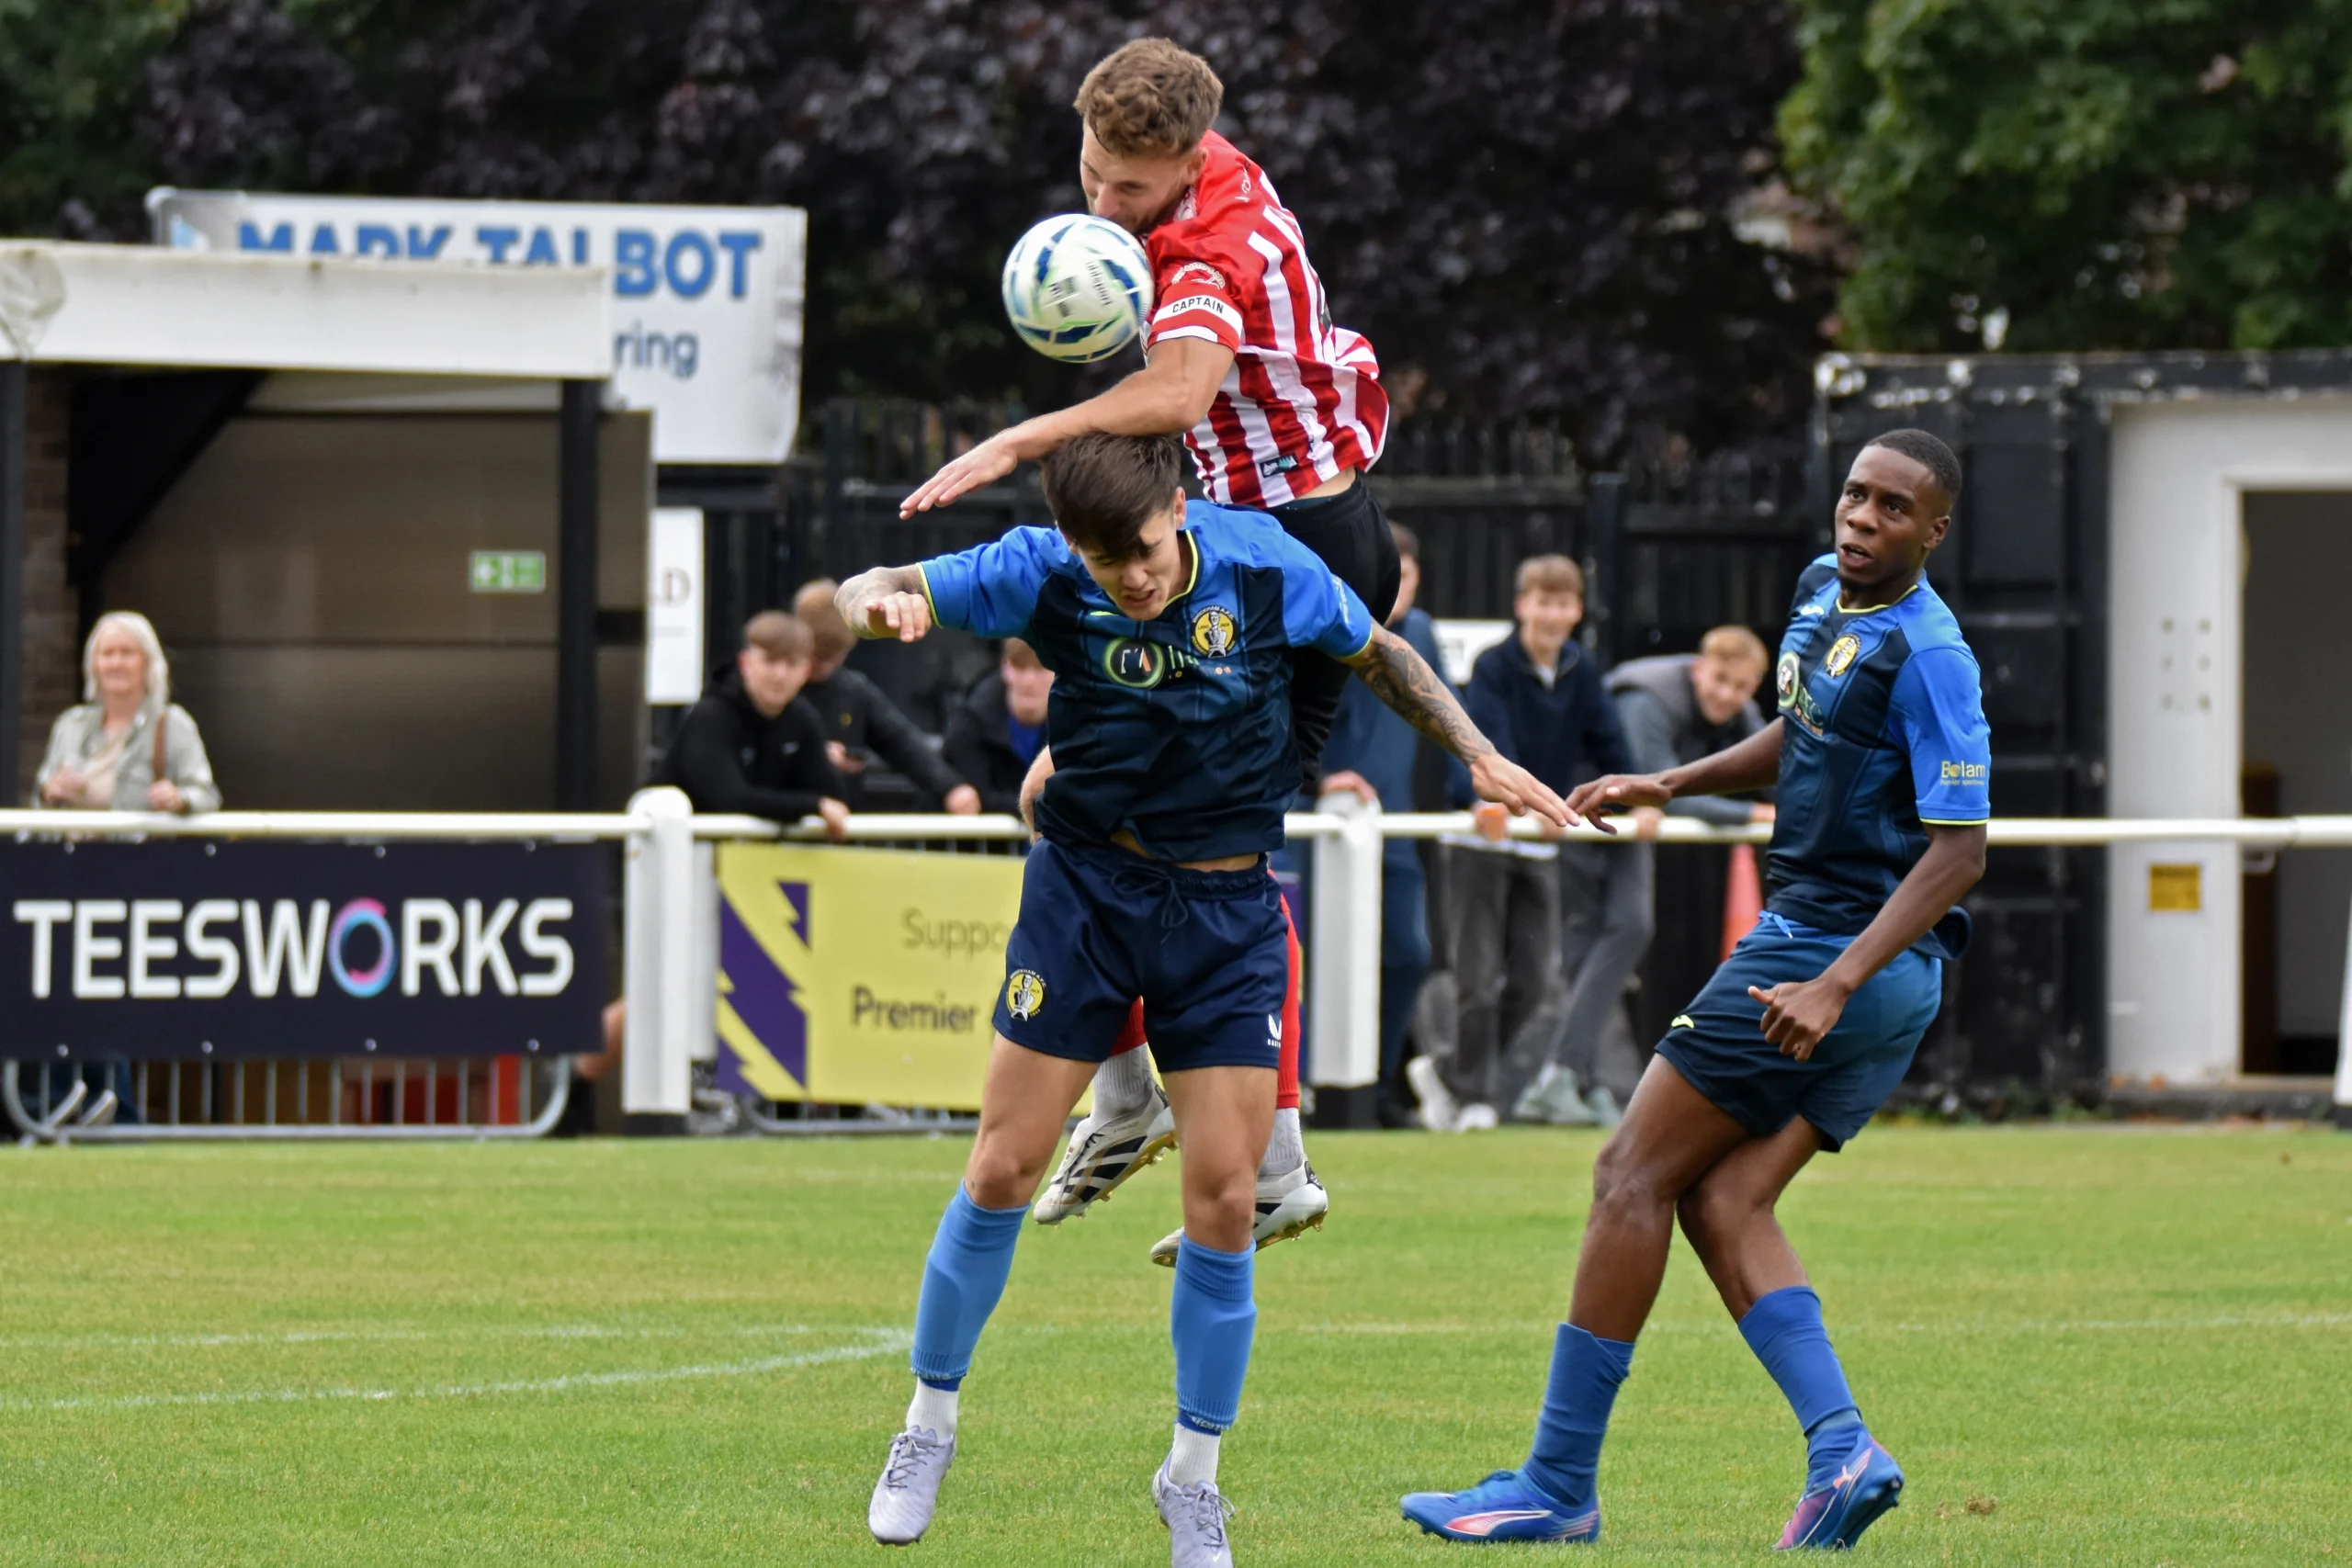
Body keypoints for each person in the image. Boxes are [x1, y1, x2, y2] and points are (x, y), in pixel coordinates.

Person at [842, 432, 1567, 1563]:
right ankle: (926, 1425)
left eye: (1141, 551)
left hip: (1226, 913)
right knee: (1000, 1167)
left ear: (1177, 509)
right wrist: (876, 605)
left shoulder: (1263, 564)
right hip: (1085, 891)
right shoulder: (1042, 567)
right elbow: (873, 580)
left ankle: (1191, 1480)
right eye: (1104, 561)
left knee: (1227, 1200)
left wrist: (1476, 752)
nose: (1129, 579)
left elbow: (1378, 651)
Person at [1400, 429, 1989, 1551]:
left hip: (1830, 955)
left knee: (1627, 1175)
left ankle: (1555, 1484)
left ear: (1935, 531)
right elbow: (1802, 733)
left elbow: (1960, 853)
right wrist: (1670, 779)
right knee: (1725, 1203)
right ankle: (1843, 1450)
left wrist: (1831, 982)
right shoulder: (1821, 593)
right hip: (1865, 973)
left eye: (1892, 508)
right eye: (1855, 496)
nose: (1861, 519)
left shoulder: (1931, 655)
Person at [907, 36, 1398, 1252]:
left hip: (1292, 552)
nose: (1103, 202)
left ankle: (1261, 1160)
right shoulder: (1200, 176)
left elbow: (1179, 392)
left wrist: (1020, 438)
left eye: (1128, 186)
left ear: (1186, 161)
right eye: (1089, 173)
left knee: (1214, 843)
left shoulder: (1204, 244)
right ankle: (1137, 1101)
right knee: (1059, 796)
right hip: (1259, 532)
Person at [1412, 555, 1632, 1132]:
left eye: (1563, 604)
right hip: (1482, 837)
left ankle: (1447, 1073)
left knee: (1535, 984)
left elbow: (1612, 747)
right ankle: (1474, 1098)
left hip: (1539, 840)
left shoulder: (1583, 670)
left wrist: (1633, 796)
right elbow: (1488, 745)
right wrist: (1513, 802)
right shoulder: (1493, 666)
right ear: (1521, 606)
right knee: (1478, 977)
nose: (1552, 615)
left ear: (1578, 611)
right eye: (1542, 602)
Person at [1532, 627, 1776, 1114]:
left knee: (1625, 931)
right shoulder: (1647, 699)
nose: (1727, 695)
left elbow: (1778, 778)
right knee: (1597, 939)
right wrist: (1757, 815)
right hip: (1579, 815)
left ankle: (1575, 1080)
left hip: (1629, 824)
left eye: (1741, 687)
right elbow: (1657, 790)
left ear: (1754, 688)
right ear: (1698, 670)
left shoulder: (1744, 713)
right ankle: (1564, 1077)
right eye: (1720, 680)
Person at [1314, 524, 1456, 1126]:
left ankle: (1372, 1086)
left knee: (1407, 955)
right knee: (1315, 961)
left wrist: (1480, 790)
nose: (1397, 583)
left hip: (1392, 827)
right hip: (1321, 828)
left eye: (1407, 572)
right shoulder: (1324, 626)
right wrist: (1318, 779)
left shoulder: (1420, 634)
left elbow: (1446, 718)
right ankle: (1312, 1091)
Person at [792, 580, 982, 816]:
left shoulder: (852, 691)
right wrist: (813, 755)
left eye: (833, 658)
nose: (823, 668)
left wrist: (951, 787)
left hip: (838, 824)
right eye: (817, 658)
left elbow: (901, 742)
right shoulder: (777, 689)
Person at [35, 610, 220, 814]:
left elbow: (206, 796)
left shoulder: (172, 724)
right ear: (94, 664)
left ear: (148, 662)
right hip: (73, 836)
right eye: (107, 654)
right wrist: (49, 792)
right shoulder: (71, 724)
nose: (116, 663)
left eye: (127, 653)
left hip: (141, 836)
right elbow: (38, 800)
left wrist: (179, 799)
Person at [940, 637, 1055, 816]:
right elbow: (977, 797)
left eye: (1041, 669)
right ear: (1005, 667)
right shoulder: (970, 723)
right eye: (1019, 667)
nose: (1029, 680)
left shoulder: (1075, 723)